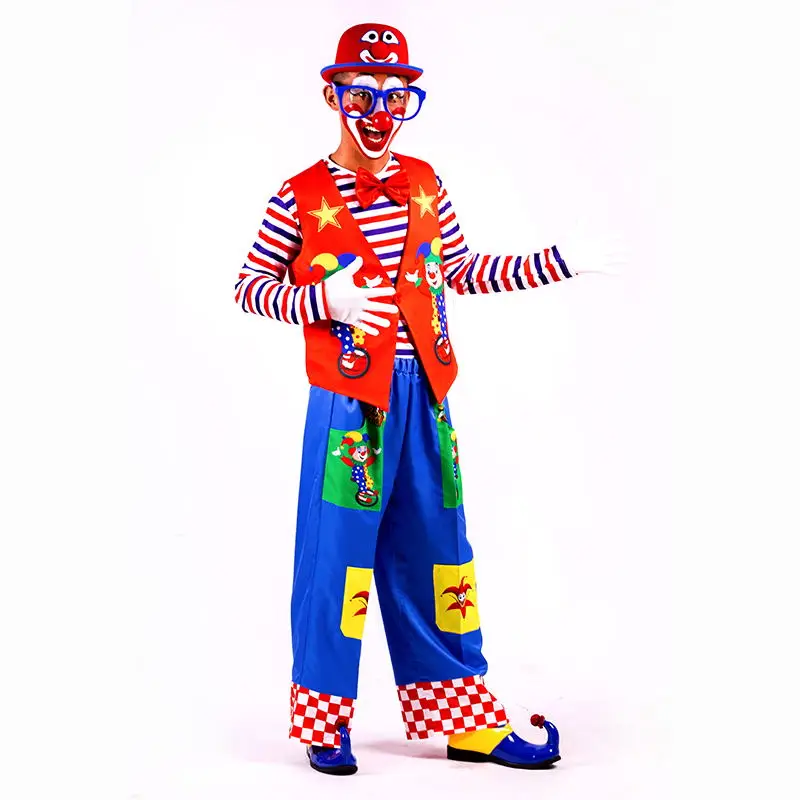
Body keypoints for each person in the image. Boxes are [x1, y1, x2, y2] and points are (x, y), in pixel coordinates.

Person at [235, 22, 609, 775]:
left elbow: (460, 270)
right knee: (336, 561)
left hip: (427, 398)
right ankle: (324, 720)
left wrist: (557, 261)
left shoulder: (427, 183)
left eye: (395, 96)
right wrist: (322, 299)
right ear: (332, 96)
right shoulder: (298, 196)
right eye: (362, 94)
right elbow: (249, 286)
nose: (379, 112)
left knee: (442, 554)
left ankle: (465, 719)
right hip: (349, 405)